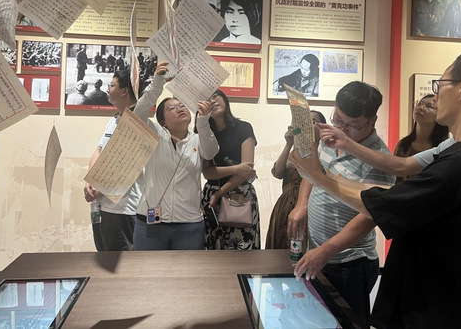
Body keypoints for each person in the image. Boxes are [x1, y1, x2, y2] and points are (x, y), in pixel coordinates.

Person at [293, 48, 461, 329]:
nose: (435, 97)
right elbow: (402, 167)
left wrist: (318, 176)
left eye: (440, 85)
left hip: (432, 312)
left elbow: (386, 204)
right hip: (429, 306)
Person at [287, 81, 395, 327]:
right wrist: (302, 204)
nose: (342, 130)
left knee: (347, 322)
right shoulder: (329, 137)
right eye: (338, 119)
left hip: (350, 262)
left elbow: (370, 216)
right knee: (317, 320)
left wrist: (327, 250)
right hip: (318, 252)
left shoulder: (379, 158)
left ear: (372, 121)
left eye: (352, 125)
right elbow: (314, 172)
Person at [132, 62, 219, 250]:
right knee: (146, 268)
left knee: (187, 269)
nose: (180, 109)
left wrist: (203, 121)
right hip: (150, 222)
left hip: (189, 224)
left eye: (183, 106)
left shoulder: (198, 139)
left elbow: (211, 152)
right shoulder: (154, 134)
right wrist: (157, 83)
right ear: (162, 121)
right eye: (172, 108)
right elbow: (139, 112)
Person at [83, 70, 142, 251]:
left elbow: (127, 163)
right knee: (104, 254)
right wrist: (90, 180)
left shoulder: (137, 122)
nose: (108, 89)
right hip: (102, 205)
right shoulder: (114, 119)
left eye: (111, 85)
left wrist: (101, 185)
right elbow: (99, 150)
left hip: (122, 207)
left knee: (122, 261)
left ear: (124, 91)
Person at [202, 90, 260, 250]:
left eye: (215, 96)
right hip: (211, 197)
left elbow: (246, 171)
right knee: (212, 248)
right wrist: (236, 168)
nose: (212, 101)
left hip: (239, 194)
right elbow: (207, 172)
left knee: (241, 248)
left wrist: (220, 192)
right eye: (207, 99)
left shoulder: (244, 128)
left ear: (225, 99)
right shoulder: (204, 132)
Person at [265, 110, 326, 249]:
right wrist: (289, 144)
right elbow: (277, 172)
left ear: (322, 126)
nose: (308, 125)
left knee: (306, 248)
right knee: (280, 248)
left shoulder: (326, 152)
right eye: (305, 122)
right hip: (285, 206)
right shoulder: (295, 152)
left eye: (313, 121)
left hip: (311, 207)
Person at [393, 94, 448, 182]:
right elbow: (396, 179)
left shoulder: (443, 147)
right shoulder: (403, 145)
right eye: (419, 103)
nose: (421, 108)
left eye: (429, 106)